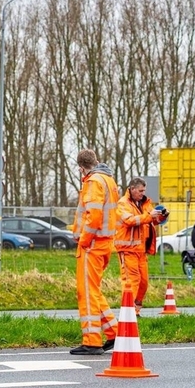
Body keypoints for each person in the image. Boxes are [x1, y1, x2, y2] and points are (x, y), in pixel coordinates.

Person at [71, 148, 120, 355]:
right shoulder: (108, 180)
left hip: (92, 244)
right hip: (105, 243)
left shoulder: (92, 182)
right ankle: (114, 332)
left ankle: (91, 341)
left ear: (82, 168)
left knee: (87, 293)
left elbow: (94, 216)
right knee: (94, 291)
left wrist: (83, 240)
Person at [114, 176, 164, 316]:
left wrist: (161, 217)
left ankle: (135, 311)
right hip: (128, 249)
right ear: (132, 189)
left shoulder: (145, 203)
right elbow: (130, 220)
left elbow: (151, 220)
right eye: (140, 190)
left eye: (144, 190)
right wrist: (149, 216)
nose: (143, 193)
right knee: (131, 281)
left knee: (143, 282)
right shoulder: (122, 204)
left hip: (141, 250)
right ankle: (127, 313)